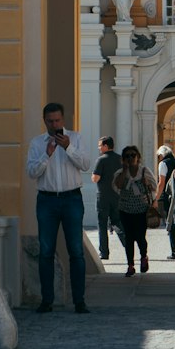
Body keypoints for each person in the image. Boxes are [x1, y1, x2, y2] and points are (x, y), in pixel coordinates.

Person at [25, 100, 93, 314]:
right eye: (50, 121)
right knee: (46, 251)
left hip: (72, 198)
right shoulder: (37, 143)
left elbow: (85, 165)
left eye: (58, 120)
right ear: (44, 121)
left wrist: (68, 147)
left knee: (76, 251)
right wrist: (47, 154)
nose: (55, 125)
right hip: (47, 200)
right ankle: (47, 300)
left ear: (63, 119)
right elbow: (32, 173)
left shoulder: (76, 138)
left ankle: (79, 301)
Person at [113, 146, 157, 277]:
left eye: (133, 155)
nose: (130, 158)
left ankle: (143, 257)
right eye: (127, 156)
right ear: (123, 159)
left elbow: (154, 187)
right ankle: (130, 265)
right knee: (128, 238)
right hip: (125, 210)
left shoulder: (144, 171)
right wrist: (125, 169)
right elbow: (118, 186)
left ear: (138, 157)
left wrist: (146, 183)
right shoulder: (121, 173)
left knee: (140, 237)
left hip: (141, 210)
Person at [91, 135, 125, 260]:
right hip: (117, 195)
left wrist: (93, 177)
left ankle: (104, 253)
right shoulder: (120, 159)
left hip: (103, 196)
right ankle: (128, 245)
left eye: (100, 145)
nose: (99, 147)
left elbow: (95, 178)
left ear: (106, 146)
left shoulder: (101, 160)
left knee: (102, 224)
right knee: (118, 222)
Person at [155, 145, 175, 257]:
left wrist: (156, 198)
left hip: (168, 196)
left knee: (170, 223)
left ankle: (174, 250)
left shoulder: (163, 164)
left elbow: (161, 183)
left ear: (161, 155)